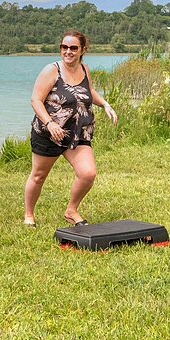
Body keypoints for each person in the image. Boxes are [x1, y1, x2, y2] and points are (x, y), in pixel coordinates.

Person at [23, 30, 117, 226]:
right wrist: (49, 123)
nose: (68, 51)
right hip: (50, 133)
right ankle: (29, 215)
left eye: (73, 48)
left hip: (78, 132)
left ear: (83, 50)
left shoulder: (84, 69)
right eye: (64, 47)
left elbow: (89, 91)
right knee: (39, 175)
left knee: (88, 173)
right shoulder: (51, 70)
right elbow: (36, 100)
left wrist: (105, 104)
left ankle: (71, 210)